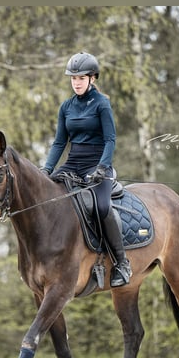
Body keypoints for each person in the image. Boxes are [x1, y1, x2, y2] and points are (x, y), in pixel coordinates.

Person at [42, 51, 132, 287]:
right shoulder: (66, 107)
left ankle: (122, 263)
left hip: (97, 165)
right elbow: (60, 142)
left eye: (81, 78)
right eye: (73, 78)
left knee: (102, 207)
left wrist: (103, 167)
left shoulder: (102, 104)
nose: (77, 82)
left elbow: (111, 139)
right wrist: (47, 169)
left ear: (92, 78)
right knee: (51, 199)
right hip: (73, 164)